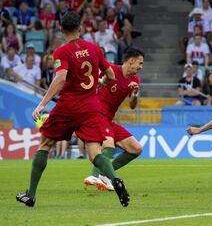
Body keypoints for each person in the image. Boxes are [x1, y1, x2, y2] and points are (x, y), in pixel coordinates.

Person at [16, 11, 129, 208]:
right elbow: (111, 74)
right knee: (94, 153)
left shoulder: (61, 51)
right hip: (91, 107)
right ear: (80, 28)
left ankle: (30, 195)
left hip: (68, 106)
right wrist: (101, 82)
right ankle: (114, 179)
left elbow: (60, 78)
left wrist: (42, 104)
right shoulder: (94, 48)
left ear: (61, 29)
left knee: (45, 144)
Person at [84, 48, 144, 191]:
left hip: (109, 118)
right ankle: (94, 175)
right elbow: (90, 82)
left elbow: (132, 106)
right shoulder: (110, 70)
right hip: (97, 113)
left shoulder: (135, 80)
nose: (141, 67)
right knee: (108, 145)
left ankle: (104, 174)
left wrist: (135, 94)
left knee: (136, 149)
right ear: (131, 61)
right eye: (140, 63)